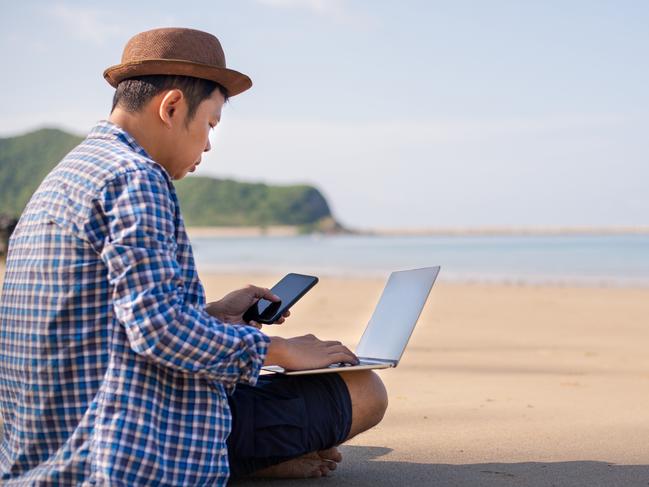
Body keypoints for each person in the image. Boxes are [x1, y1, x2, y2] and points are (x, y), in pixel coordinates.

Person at [0, 27, 387, 485]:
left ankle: (254, 457)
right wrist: (280, 350)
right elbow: (158, 331)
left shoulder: (70, 173)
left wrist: (211, 314)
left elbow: (116, 322)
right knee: (365, 391)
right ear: (171, 107)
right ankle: (242, 461)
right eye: (210, 125)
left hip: (46, 438)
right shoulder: (135, 178)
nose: (207, 145)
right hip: (114, 449)